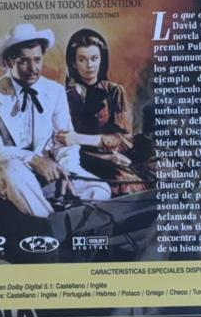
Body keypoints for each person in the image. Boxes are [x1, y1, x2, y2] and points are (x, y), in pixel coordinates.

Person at [0, 24, 110, 218]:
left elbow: (64, 142)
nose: (33, 68)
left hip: (43, 179)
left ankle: (50, 218)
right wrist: (33, 159)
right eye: (24, 61)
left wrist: (67, 172)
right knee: (11, 168)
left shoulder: (54, 91)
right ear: (9, 62)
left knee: (99, 189)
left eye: (37, 60)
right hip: (2, 177)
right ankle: (51, 224)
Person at [59, 28, 155, 196]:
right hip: (78, 163)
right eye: (82, 59)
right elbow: (63, 143)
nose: (89, 65)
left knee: (130, 188)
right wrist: (102, 157)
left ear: (101, 59)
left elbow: (125, 139)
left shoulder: (114, 91)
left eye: (94, 58)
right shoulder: (62, 96)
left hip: (116, 162)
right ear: (73, 63)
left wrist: (80, 138)